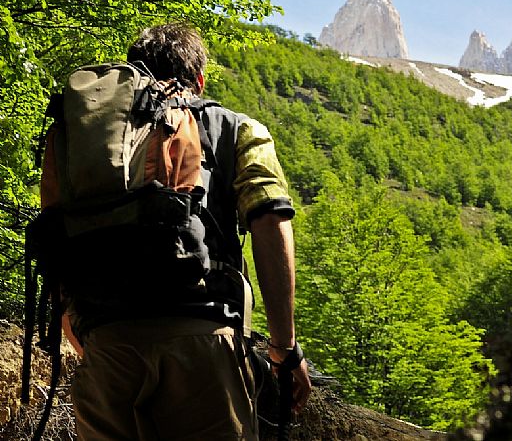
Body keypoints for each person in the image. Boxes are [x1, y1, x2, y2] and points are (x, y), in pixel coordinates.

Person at [42, 23, 311, 440]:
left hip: (105, 346)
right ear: (199, 79)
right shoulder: (234, 128)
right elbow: (270, 218)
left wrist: (82, 334)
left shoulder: (88, 140)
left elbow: (58, 234)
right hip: (201, 342)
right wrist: (284, 348)